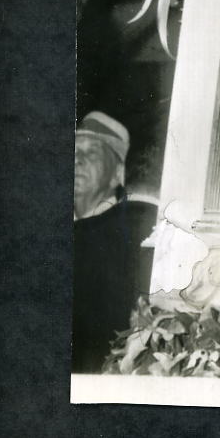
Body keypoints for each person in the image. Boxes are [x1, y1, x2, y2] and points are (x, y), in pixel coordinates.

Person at [72, 112, 157, 372]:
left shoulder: (141, 229)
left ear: (117, 173)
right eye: (72, 151)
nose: (76, 160)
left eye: (91, 152)